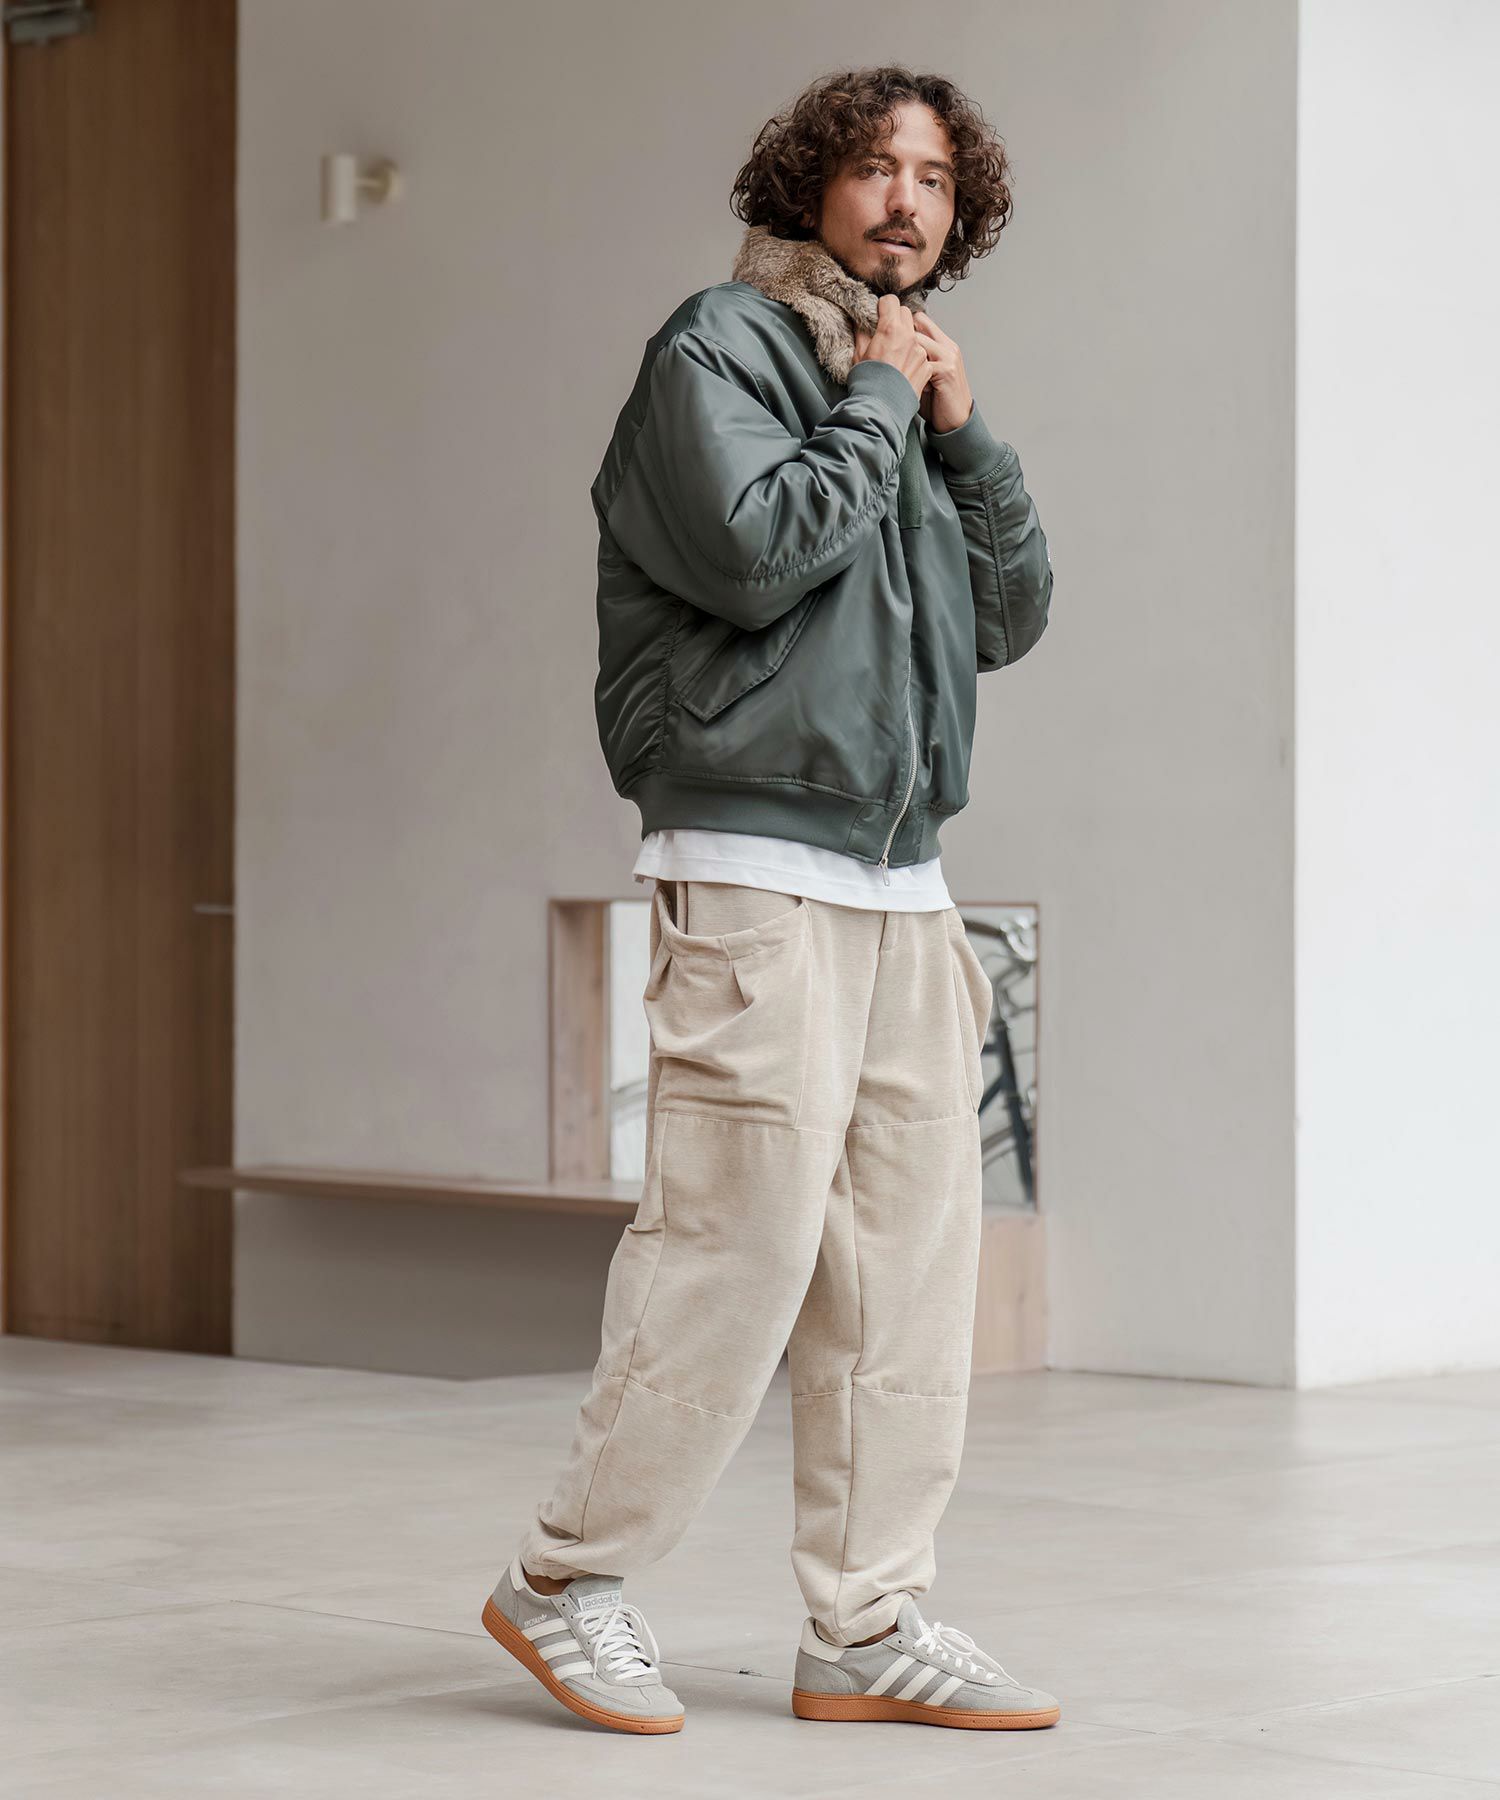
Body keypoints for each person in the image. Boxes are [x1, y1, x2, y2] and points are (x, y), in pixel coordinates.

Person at [483, 65, 1058, 1736]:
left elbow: (1010, 615)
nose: (904, 200)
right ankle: (568, 1580)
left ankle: (867, 1624)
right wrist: (878, 404)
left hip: (902, 876)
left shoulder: (909, 385)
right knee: (731, 1248)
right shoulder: (716, 349)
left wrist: (963, 434)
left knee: (905, 1271)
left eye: (933, 179)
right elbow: (751, 554)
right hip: (748, 864)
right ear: (812, 184)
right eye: (873, 168)